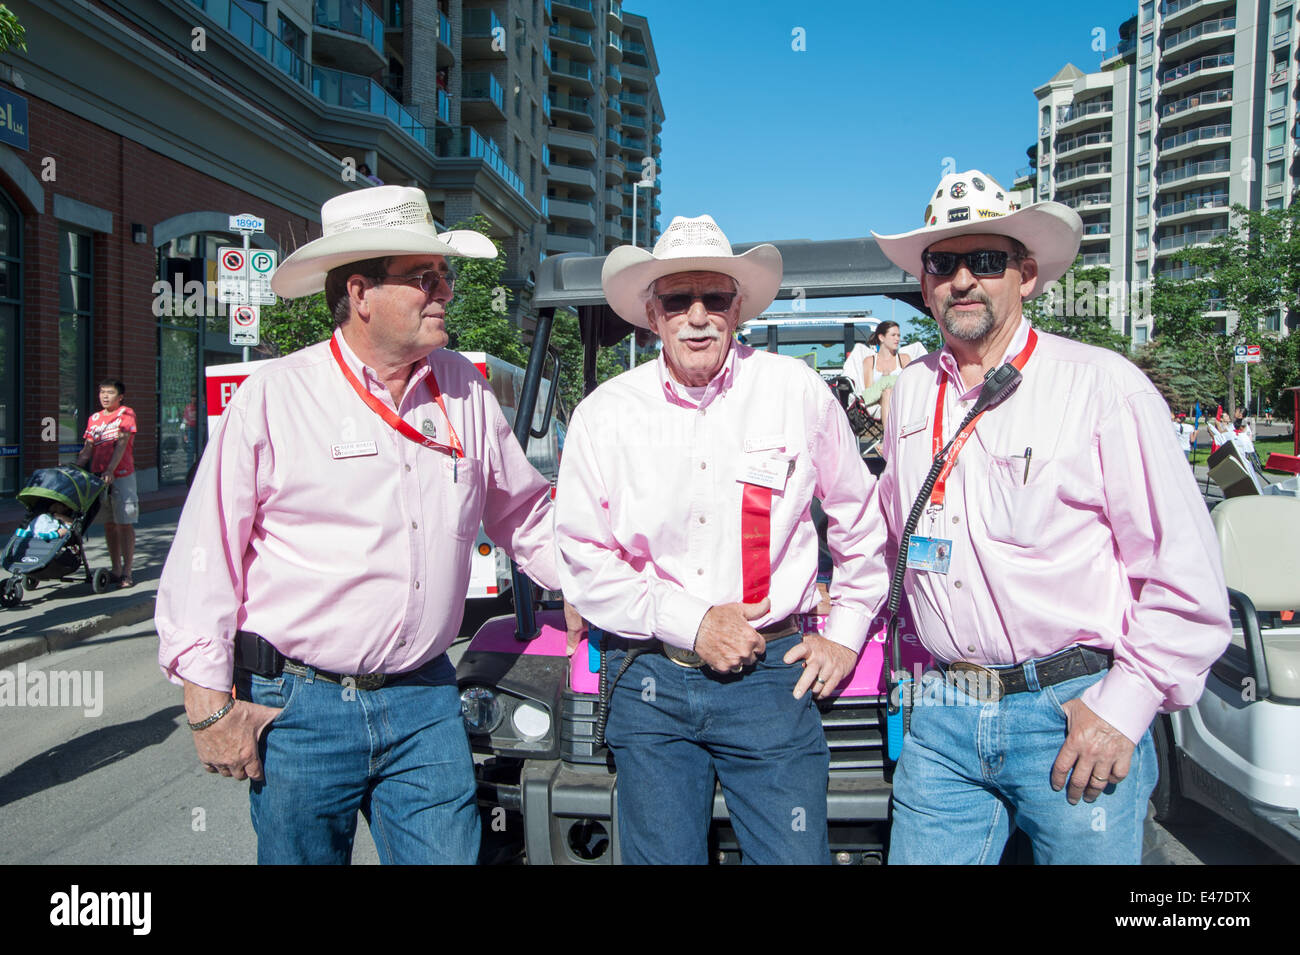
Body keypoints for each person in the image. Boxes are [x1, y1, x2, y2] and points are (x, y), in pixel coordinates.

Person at [155, 185, 577, 865]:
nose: (443, 291)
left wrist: (589, 582)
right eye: (423, 277)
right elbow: (207, 555)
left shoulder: (463, 390)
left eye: (442, 275)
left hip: (425, 700)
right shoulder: (275, 396)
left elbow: (525, 513)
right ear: (361, 293)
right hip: (299, 708)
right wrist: (209, 709)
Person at [870, 169, 1231, 864]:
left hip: (1071, 710)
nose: (963, 280)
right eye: (943, 263)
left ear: (1026, 275)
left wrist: (1122, 707)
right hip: (943, 709)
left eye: (986, 261)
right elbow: (896, 531)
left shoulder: (1104, 386)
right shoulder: (909, 395)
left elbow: (1186, 580)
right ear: (924, 284)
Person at [553, 215, 889, 864]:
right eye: (679, 299)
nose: (698, 315)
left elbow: (859, 518)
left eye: (715, 298)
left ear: (739, 307)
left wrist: (846, 634)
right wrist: (694, 621)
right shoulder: (605, 416)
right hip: (648, 672)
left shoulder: (797, 392)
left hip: (773, 675)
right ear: (653, 313)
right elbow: (584, 560)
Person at [75, 379, 137, 587]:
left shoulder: (125, 414)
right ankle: (115, 569)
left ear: (120, 397)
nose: (104, 396)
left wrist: (111, 469)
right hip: (99, 477)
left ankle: (127, 572)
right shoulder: (94, 418)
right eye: (102, 392)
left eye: (109, 393)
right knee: (110, 525)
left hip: (121, 475)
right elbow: (88, 448)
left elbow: (122, 443)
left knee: (124, 524)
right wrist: (75, 467)